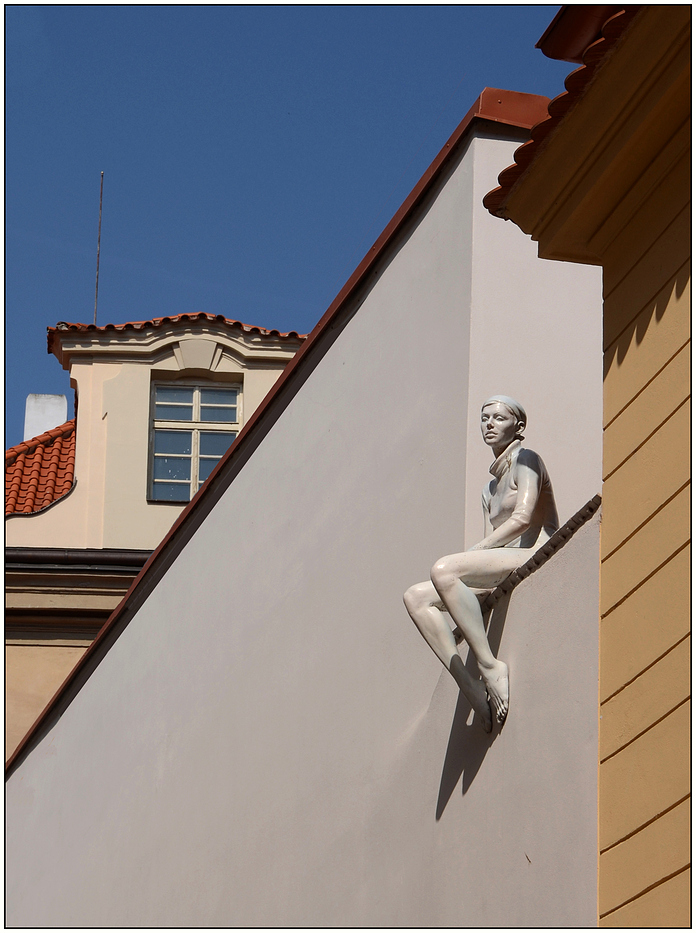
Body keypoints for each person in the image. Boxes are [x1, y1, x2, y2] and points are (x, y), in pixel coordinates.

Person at [403, 396, 558, 732]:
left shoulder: (527, 460)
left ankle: (489, 666)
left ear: (518, 427)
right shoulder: (488, 489)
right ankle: (471, 687)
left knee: (444, 569)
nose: (489, 424)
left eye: (498, 418)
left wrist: (465, 558)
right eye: (484, 418)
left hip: (535, 553)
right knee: (415, 597)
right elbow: (488, 547)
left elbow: (522, 520)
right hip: (504, 564)